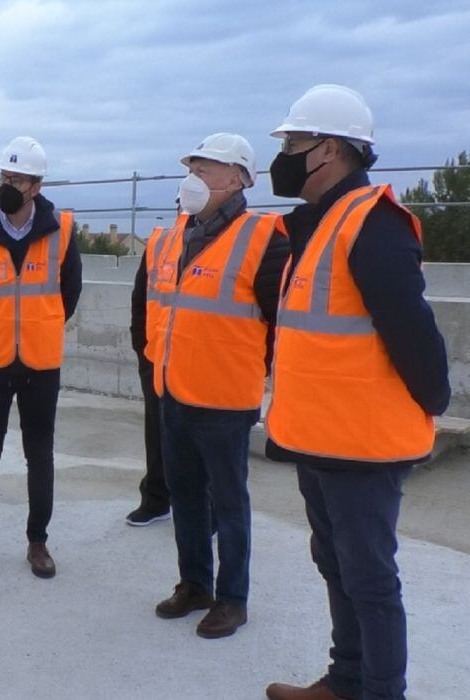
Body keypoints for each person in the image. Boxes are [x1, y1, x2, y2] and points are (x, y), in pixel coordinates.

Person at [263, 85, 450, 700]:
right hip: (318, 437)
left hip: (363, 444)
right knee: (335, 565)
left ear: (333, 150)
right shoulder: (316, 226)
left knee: (370, 581)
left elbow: (413, 333)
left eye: (294, 142)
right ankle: (345, 681)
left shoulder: (374, 224)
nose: (286, 154)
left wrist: (432, 403)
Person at [148, 133, 289, 639]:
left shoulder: (264, 238)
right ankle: (195, 584)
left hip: (226, 400)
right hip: (174, 392)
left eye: (205, 169)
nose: (194, 177)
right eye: (194, 167)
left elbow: (281, 322)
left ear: (237, 180)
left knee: (229, 503)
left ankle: (233, 599)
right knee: (185, 496)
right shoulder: (172, 237)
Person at [0, 136, 82, 579]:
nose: (6, 185)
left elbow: (70, 292)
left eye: (16, 179)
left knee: (39, 454)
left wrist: (38, 327)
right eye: (3, 177)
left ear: (35, 185)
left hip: (40, 361)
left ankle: (38, 542)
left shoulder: (62, 229)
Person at [125, 224, 170, 526]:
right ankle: (156, 499)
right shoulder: (161, 243)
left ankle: (210, 510)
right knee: (156, 432)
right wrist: (142, 348)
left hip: (211, 364)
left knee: (204, 444)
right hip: (156, 359)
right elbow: (141, 297)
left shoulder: (239, 241)